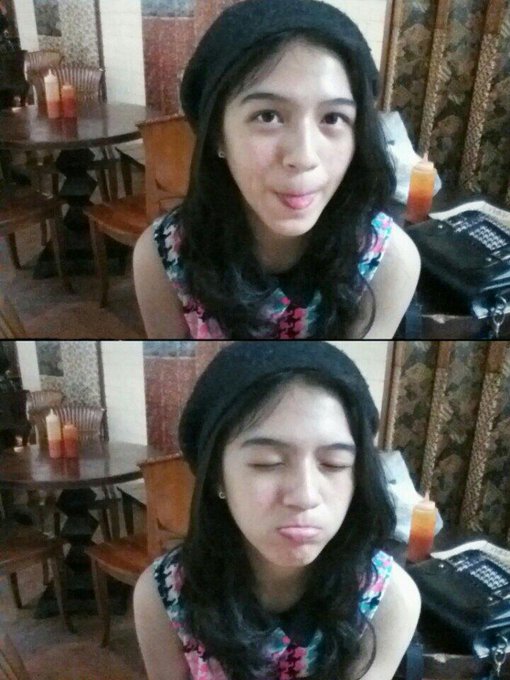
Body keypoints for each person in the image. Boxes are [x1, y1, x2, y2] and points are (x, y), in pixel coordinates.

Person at [133, 0, 420, 340]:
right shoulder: (162, 259)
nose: (303, 156)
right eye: (267, 116)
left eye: (332, 118)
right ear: (217, 136)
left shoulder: (389, 262)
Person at [134, 341, 420, 680]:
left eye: (334, 463)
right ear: (216, 477)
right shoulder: (164, 596)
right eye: (267, 463)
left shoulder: (388, 599)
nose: (305, 496)